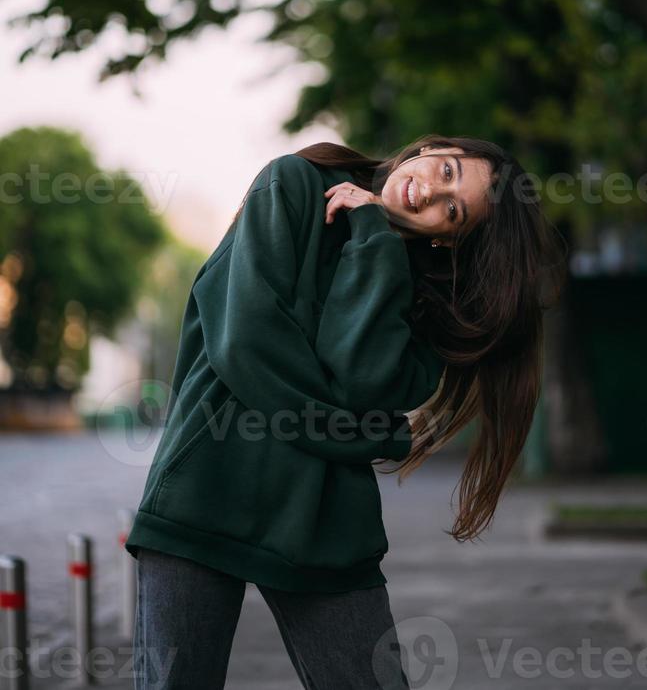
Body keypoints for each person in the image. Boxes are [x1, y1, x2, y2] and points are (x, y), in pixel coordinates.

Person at [126, 134, 565, 689]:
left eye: (453, 210)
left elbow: (360, 380)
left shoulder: (425, 304)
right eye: (446, 170)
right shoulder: (292, 185)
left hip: (324, 518)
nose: (430, 192)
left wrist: (374, 237)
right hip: (203, 490)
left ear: (451, 241)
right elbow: (245, 348)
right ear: (428, 148)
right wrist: (375, 437)